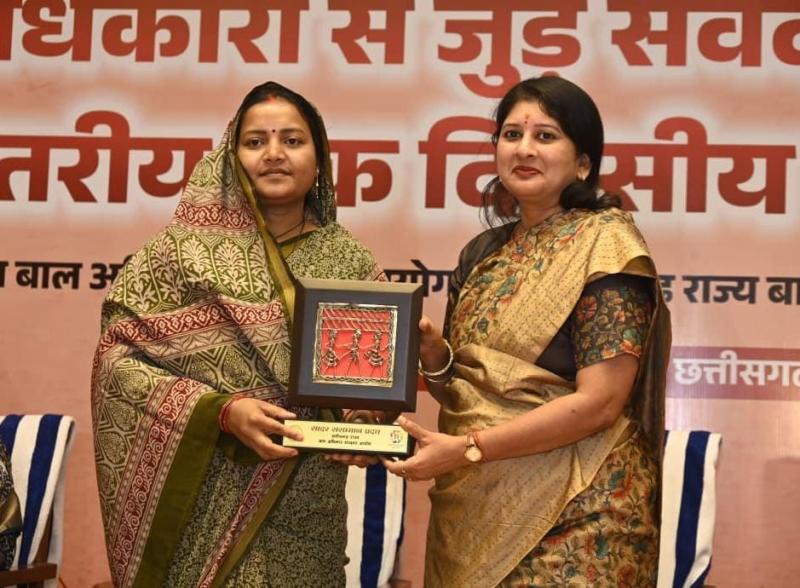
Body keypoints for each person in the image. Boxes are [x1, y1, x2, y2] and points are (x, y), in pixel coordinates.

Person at [91, 81, 384, 587]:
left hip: (305, 499)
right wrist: (222, 412)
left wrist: (364, 425)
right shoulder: (176, 254)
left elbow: (366, 387)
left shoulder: (349, 261)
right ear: (230, 158)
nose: (274, 154)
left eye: (292, 140)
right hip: (201, 496)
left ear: (319, 159)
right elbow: (117, 364)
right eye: (255, 142)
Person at [383, 75, 671, 587]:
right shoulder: (481, 253)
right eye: (512, 134)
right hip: (477, 512)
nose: (524, 149)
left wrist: (468, 448)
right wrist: (434, 356)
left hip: (582, 510)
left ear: (583, 163)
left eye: (546, 135)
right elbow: (468, 393)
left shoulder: (607, 246)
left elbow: (600, 404)